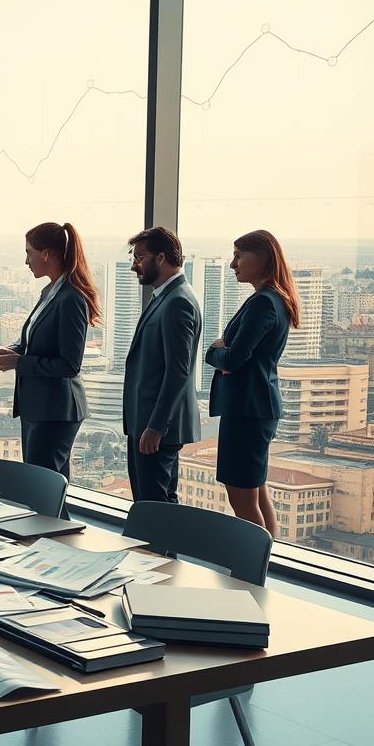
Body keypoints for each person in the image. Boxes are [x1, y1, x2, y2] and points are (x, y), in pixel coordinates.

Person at [207, 230, 299, 539]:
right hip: (256, 407)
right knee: (257, 491)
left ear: (262, 259)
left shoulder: (263, 303)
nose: (233, 264)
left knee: (242, 497)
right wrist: (227, 354)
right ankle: (266, 565)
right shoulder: (274, 299)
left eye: (238, 255)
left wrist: (214, 351)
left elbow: (233, 359)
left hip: (248, 409)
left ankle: (251, 570)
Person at [0, 222, 101, 481]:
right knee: (48, 491)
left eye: (29, 253)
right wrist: (14, 351)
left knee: (41, 488)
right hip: (39, 408)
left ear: (47, 254)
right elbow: (36, 341)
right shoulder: (51, 291)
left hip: (55, 411)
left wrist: (20, 362)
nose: (26, 261)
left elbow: (69, 364)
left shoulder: (71, 298)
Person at [122, 226, 202, 504]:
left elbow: (178, 372)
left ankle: (161, 550)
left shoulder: (178, 302)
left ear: (160, 258)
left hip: (155, 427)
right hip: (147, 421)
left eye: (140, 258)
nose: (134, 266)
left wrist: (156, 426)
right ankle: (162, 548)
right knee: (155, 503)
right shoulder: (168, 297)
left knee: (153, 506)